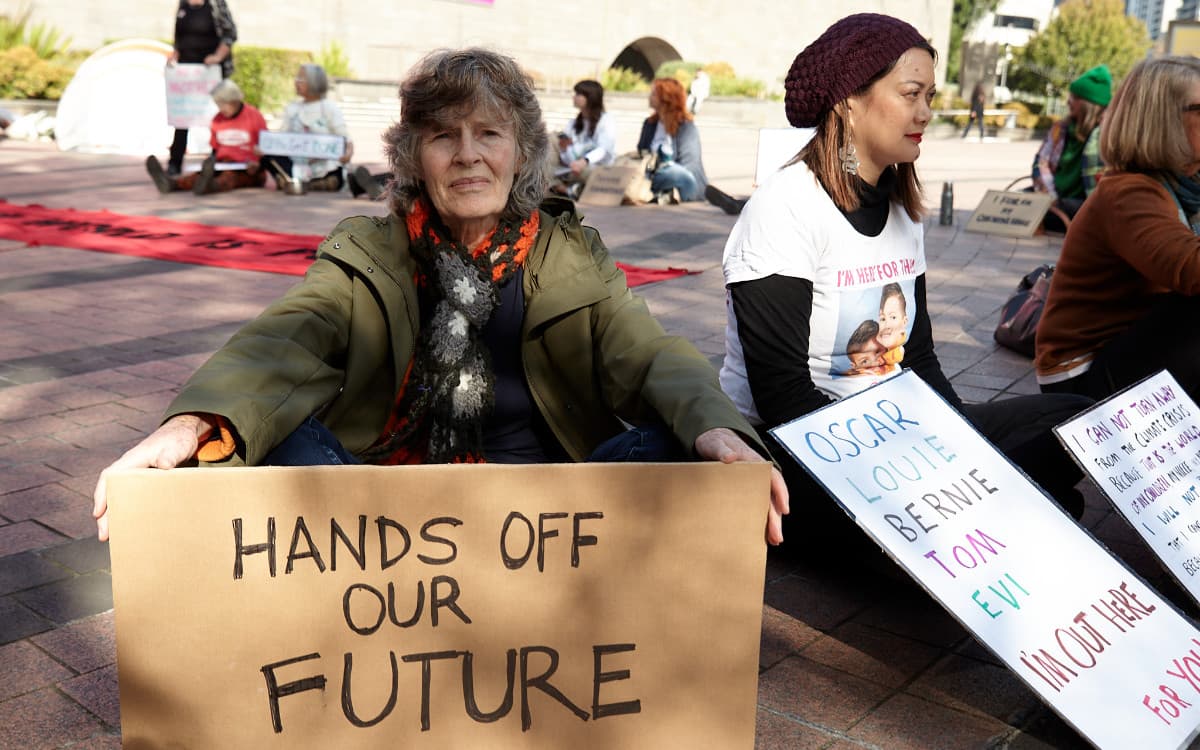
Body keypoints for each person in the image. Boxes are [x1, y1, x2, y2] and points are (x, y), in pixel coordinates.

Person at [93, 47, 788, 546]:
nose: (467, 155)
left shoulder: (568, 251)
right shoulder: (370, 250)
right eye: (442, 136)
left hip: (546, 520)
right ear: (411, 156)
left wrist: (718, 429)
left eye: (489, 133)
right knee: (271, 443)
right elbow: (290, 335)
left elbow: (648, 353)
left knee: (677, 446)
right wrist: (190, 425)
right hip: (389, 527)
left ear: (520, 151)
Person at [717, 13, 1092, 559]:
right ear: (848, 99)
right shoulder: (785, 207)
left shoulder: (900, 207)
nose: (926, 113)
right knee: (1012, 516)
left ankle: (1000, 510)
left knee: (1081, 421)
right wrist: (923, 472)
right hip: (793, 448)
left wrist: (960, 447)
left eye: (930, 96)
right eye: (911, 93)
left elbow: (915, 358)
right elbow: (782, 398)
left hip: (896, 435)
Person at [1036, 56, 1200, 402]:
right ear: (1163, 119)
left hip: (1130, 353)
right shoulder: (1128, 192)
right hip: (1081, 379)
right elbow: (1192, 270)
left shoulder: (1187, 184)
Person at [145, 79, 267, 195]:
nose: (221, 108)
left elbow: (267, 147)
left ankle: (211, 186)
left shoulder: (254, 116)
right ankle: (172, 184)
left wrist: (258, 164)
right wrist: (211, 163)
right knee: (198, 175)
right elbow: (215, 148)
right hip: (224, 163)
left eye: (223, 104)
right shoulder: (218, 119)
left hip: (249, 168)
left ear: (234, 101)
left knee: (229, 177)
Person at [1030, 65, 1111, 231]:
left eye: (1074, 97)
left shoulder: (1107, 135)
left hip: (1087, 203)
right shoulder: (1060, 129)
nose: (1068, 101)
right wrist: (1048, 194)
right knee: (1016, 201)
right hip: (1054, 196)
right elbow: (1041, 162)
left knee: (1064, 210)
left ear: (1089, 104)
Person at [166, 0, 237, 177]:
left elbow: (230, 34)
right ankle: (174, 163)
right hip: (186, 73)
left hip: (209, 72)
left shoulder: (215, 4)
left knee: (215, 117)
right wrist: (175, 55)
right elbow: (179, 36)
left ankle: (217, 159)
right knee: (182, 120)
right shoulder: (183, 5)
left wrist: (217, 57)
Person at [260, 63, 354, 192]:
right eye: (297, 78)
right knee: (267, 157)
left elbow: (346, 139)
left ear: (314, 82)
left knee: (335, 167)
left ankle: (295, 181)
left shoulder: (329, 108)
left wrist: (347, 154)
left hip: (323, 163)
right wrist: (266, 145)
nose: (296, 82)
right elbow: (281, 138)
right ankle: (309, 182)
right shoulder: (292, 108)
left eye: (301, 79)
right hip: (296, 162)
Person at [636, 78, 708, 203]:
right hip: (651, 173)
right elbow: (641, 151)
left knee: (679, 174)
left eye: (653, 94)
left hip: (680, 177)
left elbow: (690, 162)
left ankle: (690, 200)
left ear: (666, 98)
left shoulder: (685, 126)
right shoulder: (650, 123)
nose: (649, 97)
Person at [550, 79, 617, 200]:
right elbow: (567, 152)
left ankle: (567, 189)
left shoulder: (606, 120)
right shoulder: (573, 123)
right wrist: (566, 154)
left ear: (590, 97)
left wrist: (584, 161)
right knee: (550, 141)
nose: (574, 97)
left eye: (578, 94)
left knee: (592, 175)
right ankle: (571, 190)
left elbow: (604, 150)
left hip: (595, 168)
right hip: (572, 168)